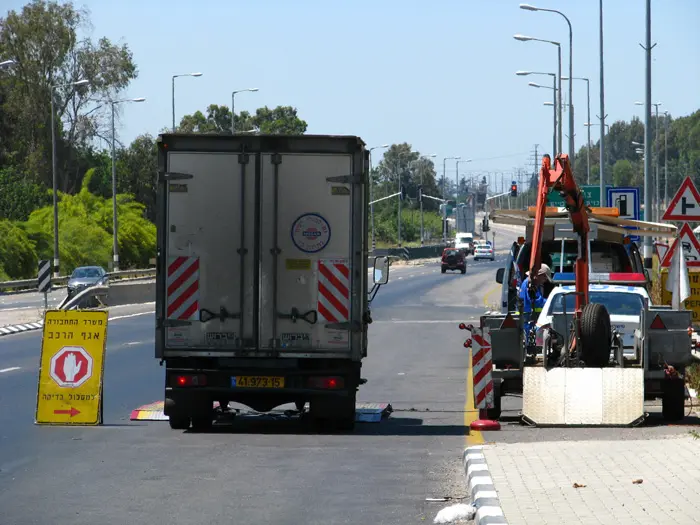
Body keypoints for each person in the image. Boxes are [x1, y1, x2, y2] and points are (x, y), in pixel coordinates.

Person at [519, 263, 554, 339]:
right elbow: (538, 301)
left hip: (527, 320)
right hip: (527, 321)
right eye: (545, 278)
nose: (545, 281)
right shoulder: (529, 285)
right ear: (540, 275)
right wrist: (552, 301)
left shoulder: (530, 284)